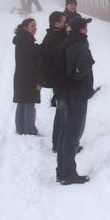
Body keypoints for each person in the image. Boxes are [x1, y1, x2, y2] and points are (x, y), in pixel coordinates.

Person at [56, 13, 95, 185]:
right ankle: (68, 173)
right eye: (85, 26)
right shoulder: (80, 47)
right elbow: (82, 70)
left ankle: (62, 170)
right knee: (73, 135)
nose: (87, 29)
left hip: (65, 95)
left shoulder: (66, 43)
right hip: (76, 97)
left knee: (65, 134)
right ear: (82, 29)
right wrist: (81, 81)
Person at [40, 10, 68, 153]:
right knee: (63, 112)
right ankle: (59, 144)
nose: (66, 23)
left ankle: (60, 142)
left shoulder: (54, 36)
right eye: (64, 21)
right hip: (60, 81)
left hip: (59, 80)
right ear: (57, 23)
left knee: (61, 111)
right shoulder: (55, 38)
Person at [13, 17, 42, 135]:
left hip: (20, 77)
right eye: (32, 26)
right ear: (25, 27)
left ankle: (20, 129)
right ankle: (30, 131)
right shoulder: (27, 42)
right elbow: (31, 64)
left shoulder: (21, 40)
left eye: (35, 25)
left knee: (21, 102)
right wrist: (37, 81)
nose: (35, 28)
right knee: (29, 103)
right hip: (28, 78)